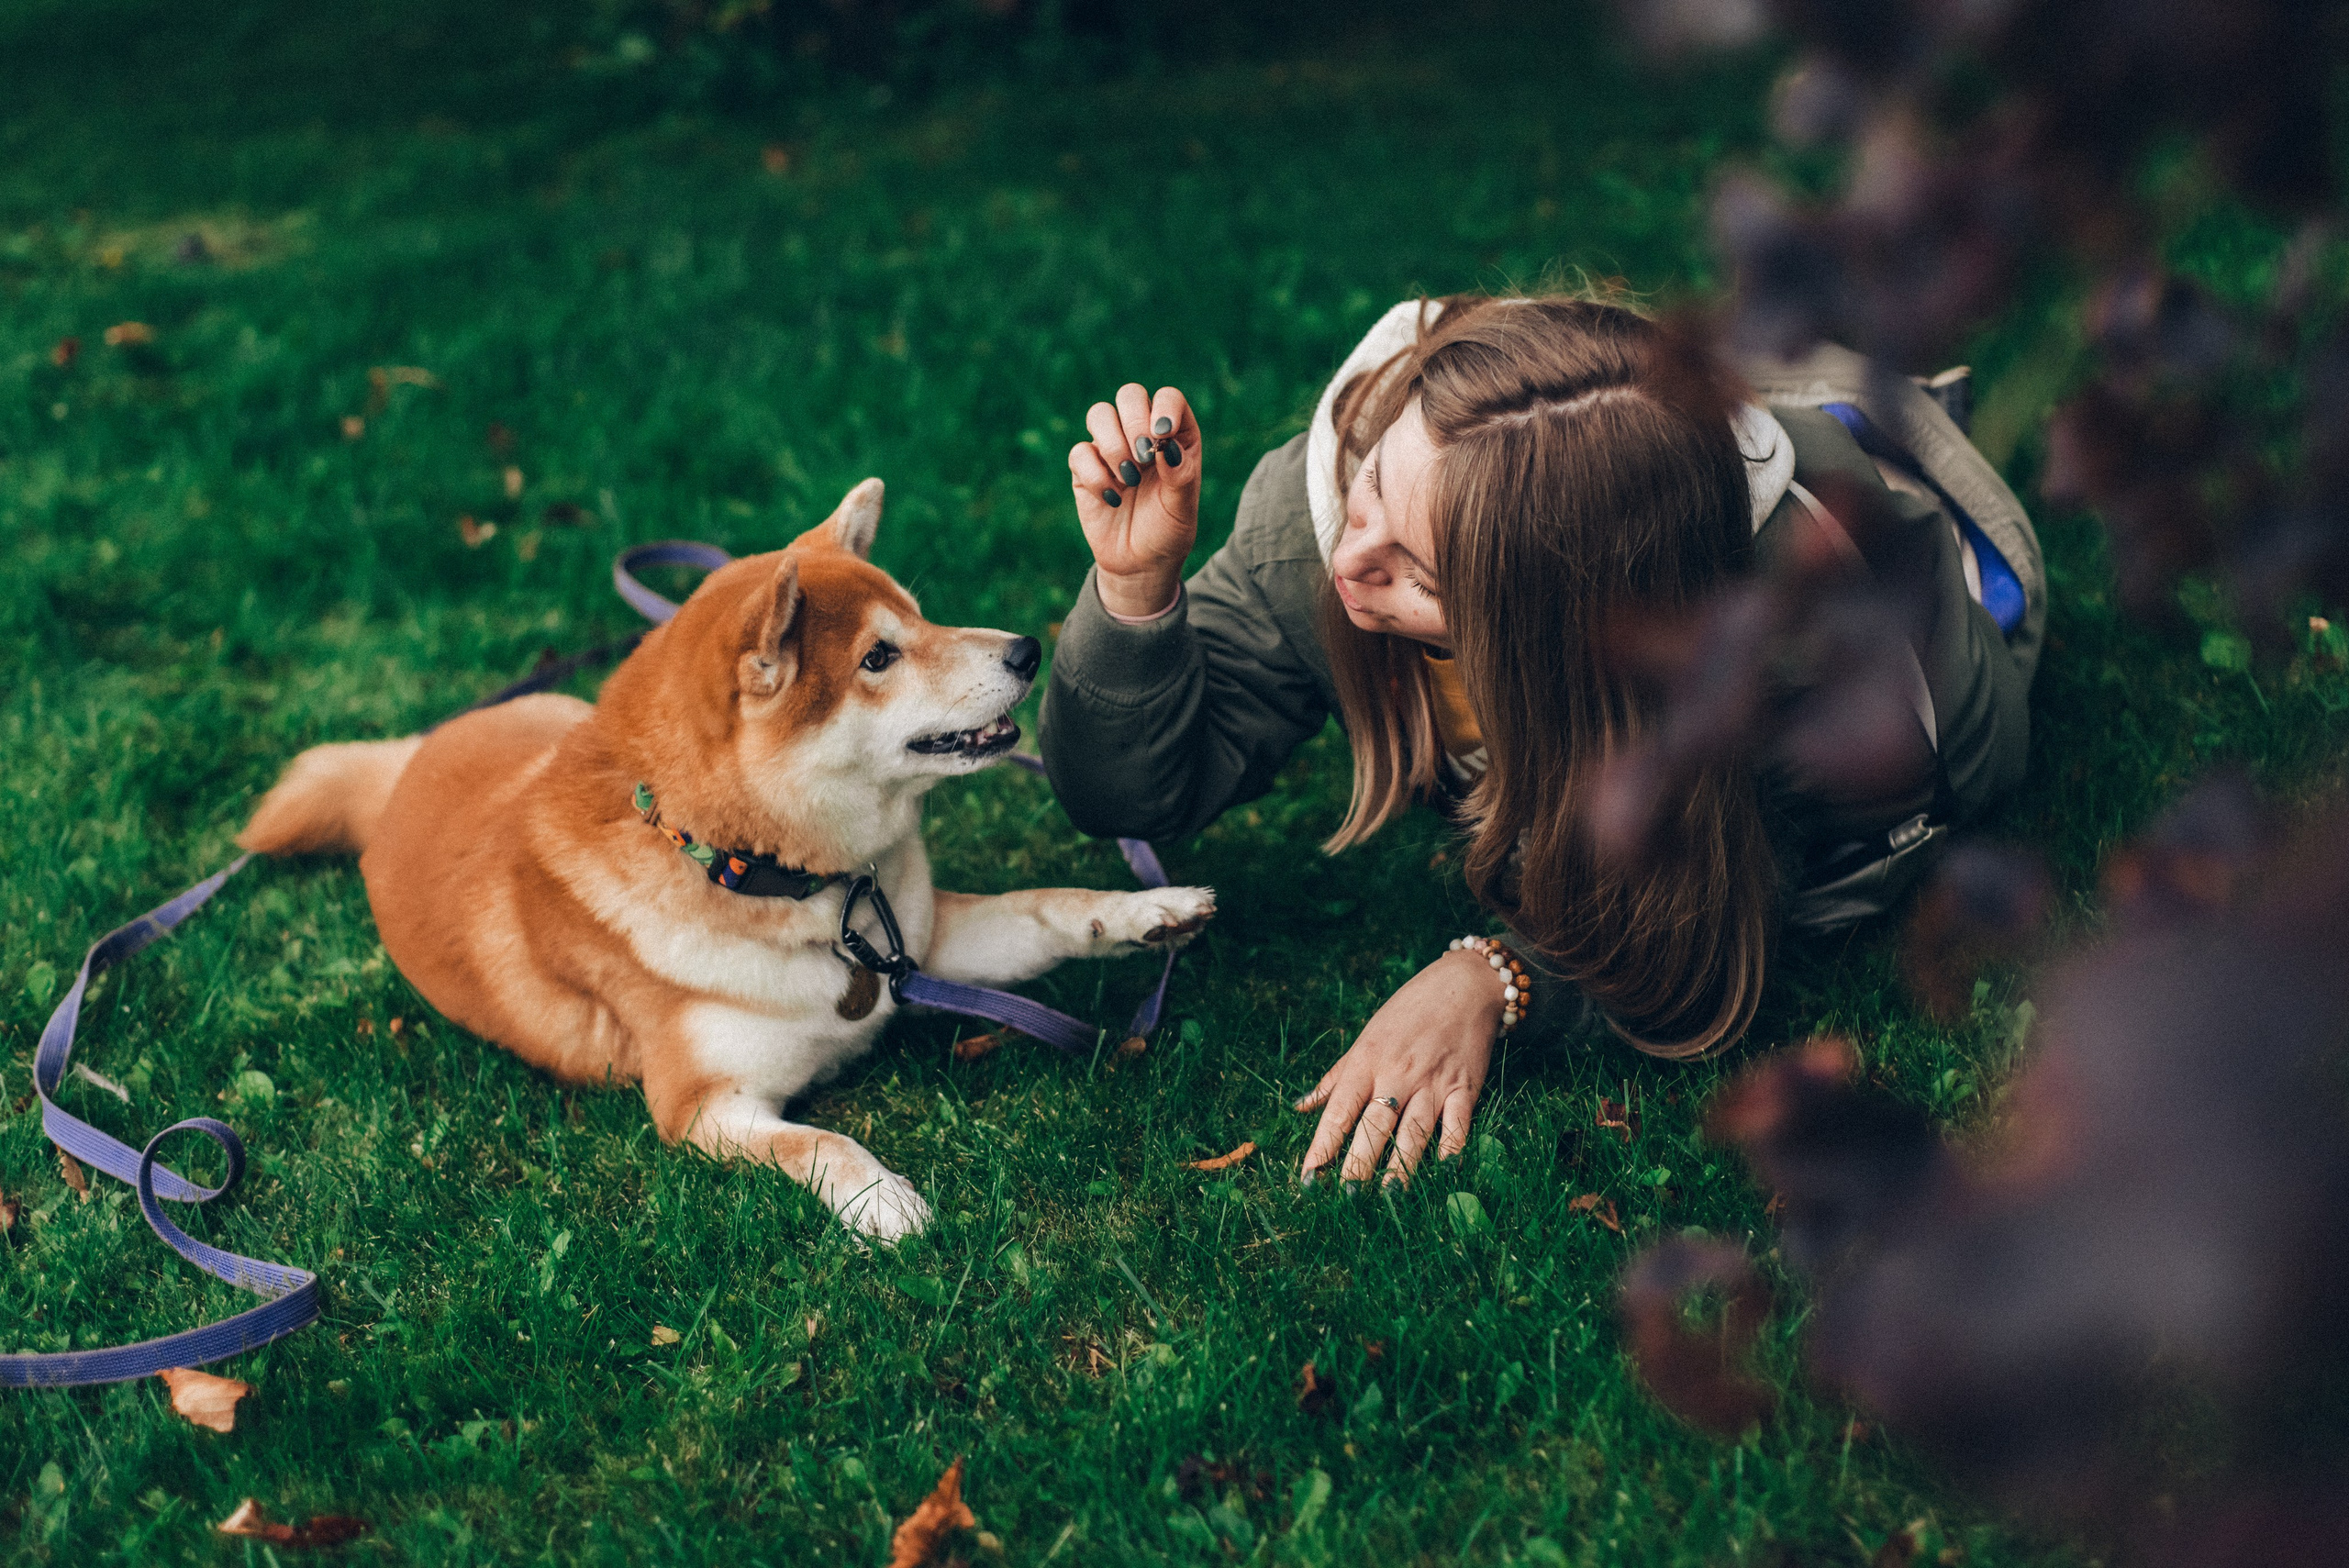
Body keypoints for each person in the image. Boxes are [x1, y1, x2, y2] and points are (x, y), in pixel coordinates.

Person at [1038, 293, 2041, 1185]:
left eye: (1424, 578)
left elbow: (1714, 928)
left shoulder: (1792, 680)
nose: (1349, 556)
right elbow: (1128, 788)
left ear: (1562, 638)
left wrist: (1496, 975)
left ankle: (1870, 414)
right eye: (1378, 485)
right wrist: (1136, 593)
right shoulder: (1336, 490)